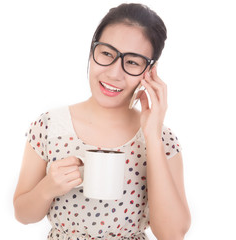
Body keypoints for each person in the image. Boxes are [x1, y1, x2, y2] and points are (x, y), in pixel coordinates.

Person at [13, 3, 191, 240]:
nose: (114, 73)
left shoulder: (162, 139)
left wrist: (152, 136)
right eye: (107, 53)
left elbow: (172, 234)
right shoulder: (49, 126)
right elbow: (23, 214)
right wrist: (48, 187)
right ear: (92, 51)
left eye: (133, 62)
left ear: (149, 71)